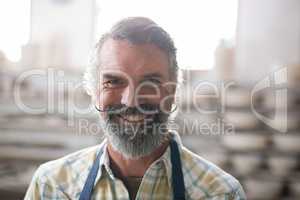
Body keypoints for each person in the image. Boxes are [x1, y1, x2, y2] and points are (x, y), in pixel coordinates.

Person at [25, 17, 246, 200]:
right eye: (113, 81)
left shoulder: (220, 193)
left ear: (172, 93)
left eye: (150, 82)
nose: (131, 101)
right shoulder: (52, 187)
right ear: (93, 90)